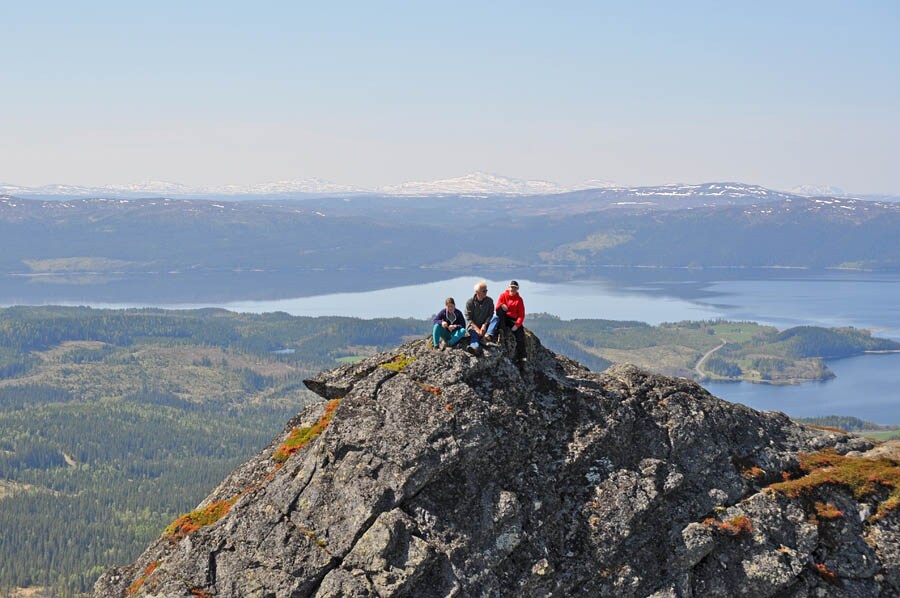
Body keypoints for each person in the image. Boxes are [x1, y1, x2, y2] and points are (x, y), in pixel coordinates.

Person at [487, 280, 527, 362]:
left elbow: (521, 315)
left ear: (517, 289)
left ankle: (522, 357)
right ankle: (501, 330)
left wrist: (517, 325)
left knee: (520, 335)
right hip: (504, 318)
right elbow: (497, 308)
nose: (513, 289)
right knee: (499, 311)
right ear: (509, 287)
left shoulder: (519, 300)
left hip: (513, 320)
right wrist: (502, 305)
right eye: (511, 287)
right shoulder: (503, 295)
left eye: (515, 288)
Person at [464, 280, 494, 355]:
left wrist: (484, 325)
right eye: (484, 291)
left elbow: (491, 314)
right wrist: (477, 329)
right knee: (474, 335)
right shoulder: (470, 302)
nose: (486, 292)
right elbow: (469, 318)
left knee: (496, 318)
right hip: (473, 326)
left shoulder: (489, 301)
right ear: (477, 292)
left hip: (485, 325)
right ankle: (475, 348)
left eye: (486, 290)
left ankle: (487, 336)